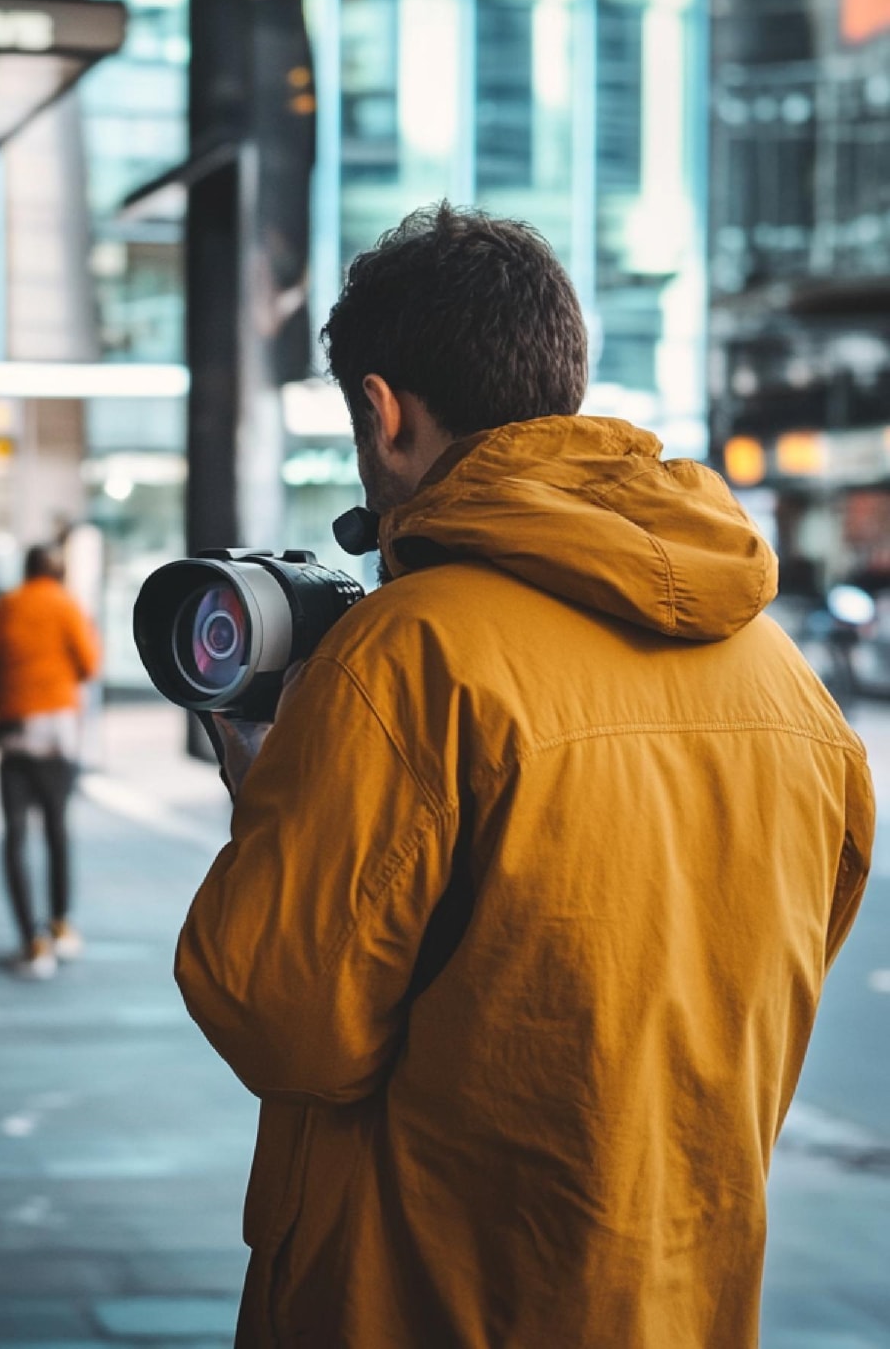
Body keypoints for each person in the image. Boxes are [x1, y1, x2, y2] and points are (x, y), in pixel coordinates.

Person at [174, 202, 875, 1347]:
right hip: (682, 1301)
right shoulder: (782, 678)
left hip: (426, 1303)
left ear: (382, 411)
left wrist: (272, 804)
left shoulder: (408, 655)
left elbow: (284, 1021)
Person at [0, 544, 101, 979]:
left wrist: (4, 701)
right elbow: (89, 663)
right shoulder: (67, 605)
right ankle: (62, 926)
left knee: (14, 838)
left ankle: (32, 943)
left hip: (14, 733)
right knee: (57, 831)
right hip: (58, 738)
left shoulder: (8, 605)